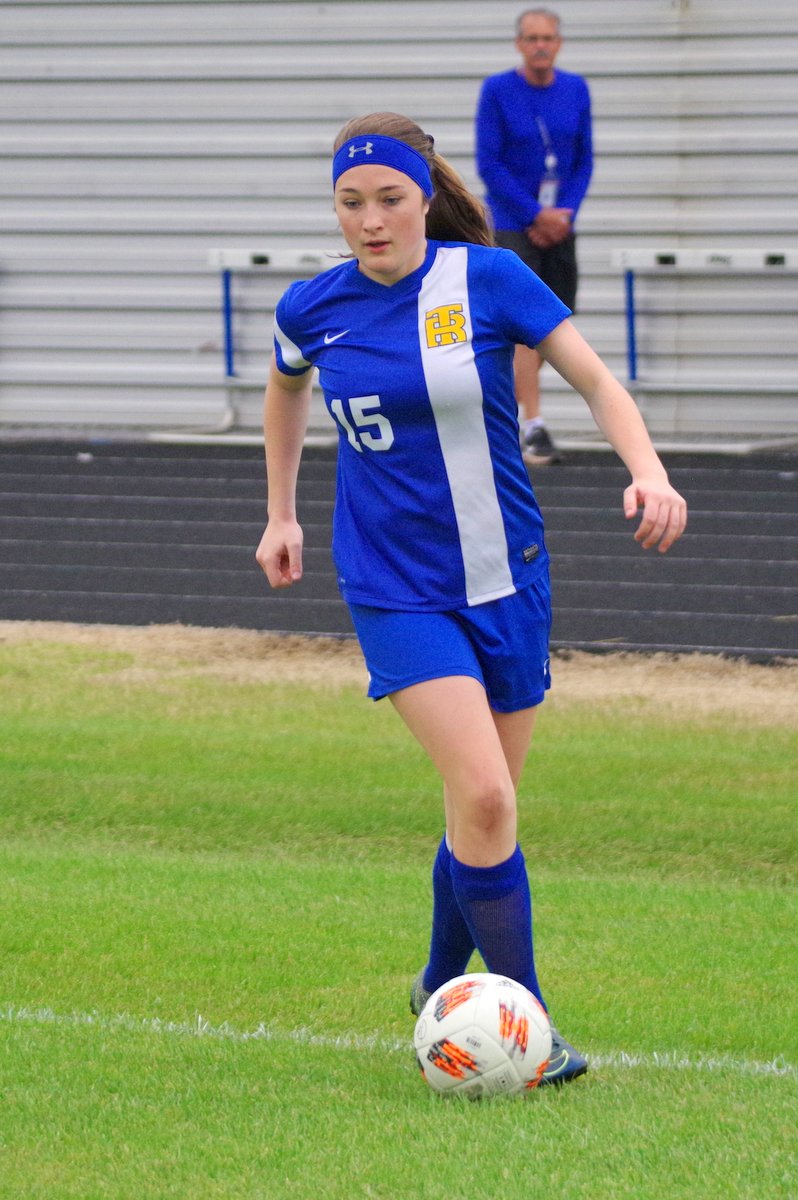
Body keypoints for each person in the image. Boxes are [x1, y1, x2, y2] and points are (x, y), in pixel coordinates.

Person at [255, 111, 686, 1086]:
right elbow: (285, 390)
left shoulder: (487, 279)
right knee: (487, 793)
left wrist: (649, 470)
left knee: (483, 809)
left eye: (389, 199)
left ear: (425, 197)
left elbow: (595, 380)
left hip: (508, 577)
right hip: (394, 586)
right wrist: (281, 513)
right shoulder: (311, 307)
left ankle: (440, 979)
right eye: (350, 203)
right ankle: (531, 1029)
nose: (370, 220)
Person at [476, 8, 593, 465]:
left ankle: (502, 412)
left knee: (554, 319)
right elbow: (489, 164)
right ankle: (534, 425)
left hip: (560, 224)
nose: (540, 45)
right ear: (519, 44)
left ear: (558, 43)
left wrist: (564, 215)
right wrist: (535, 214)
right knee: (524, 326)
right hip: (513, 223)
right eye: (532, 38)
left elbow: (583, 160)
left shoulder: (575, 89)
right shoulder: (498, 91)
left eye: (547, 38)